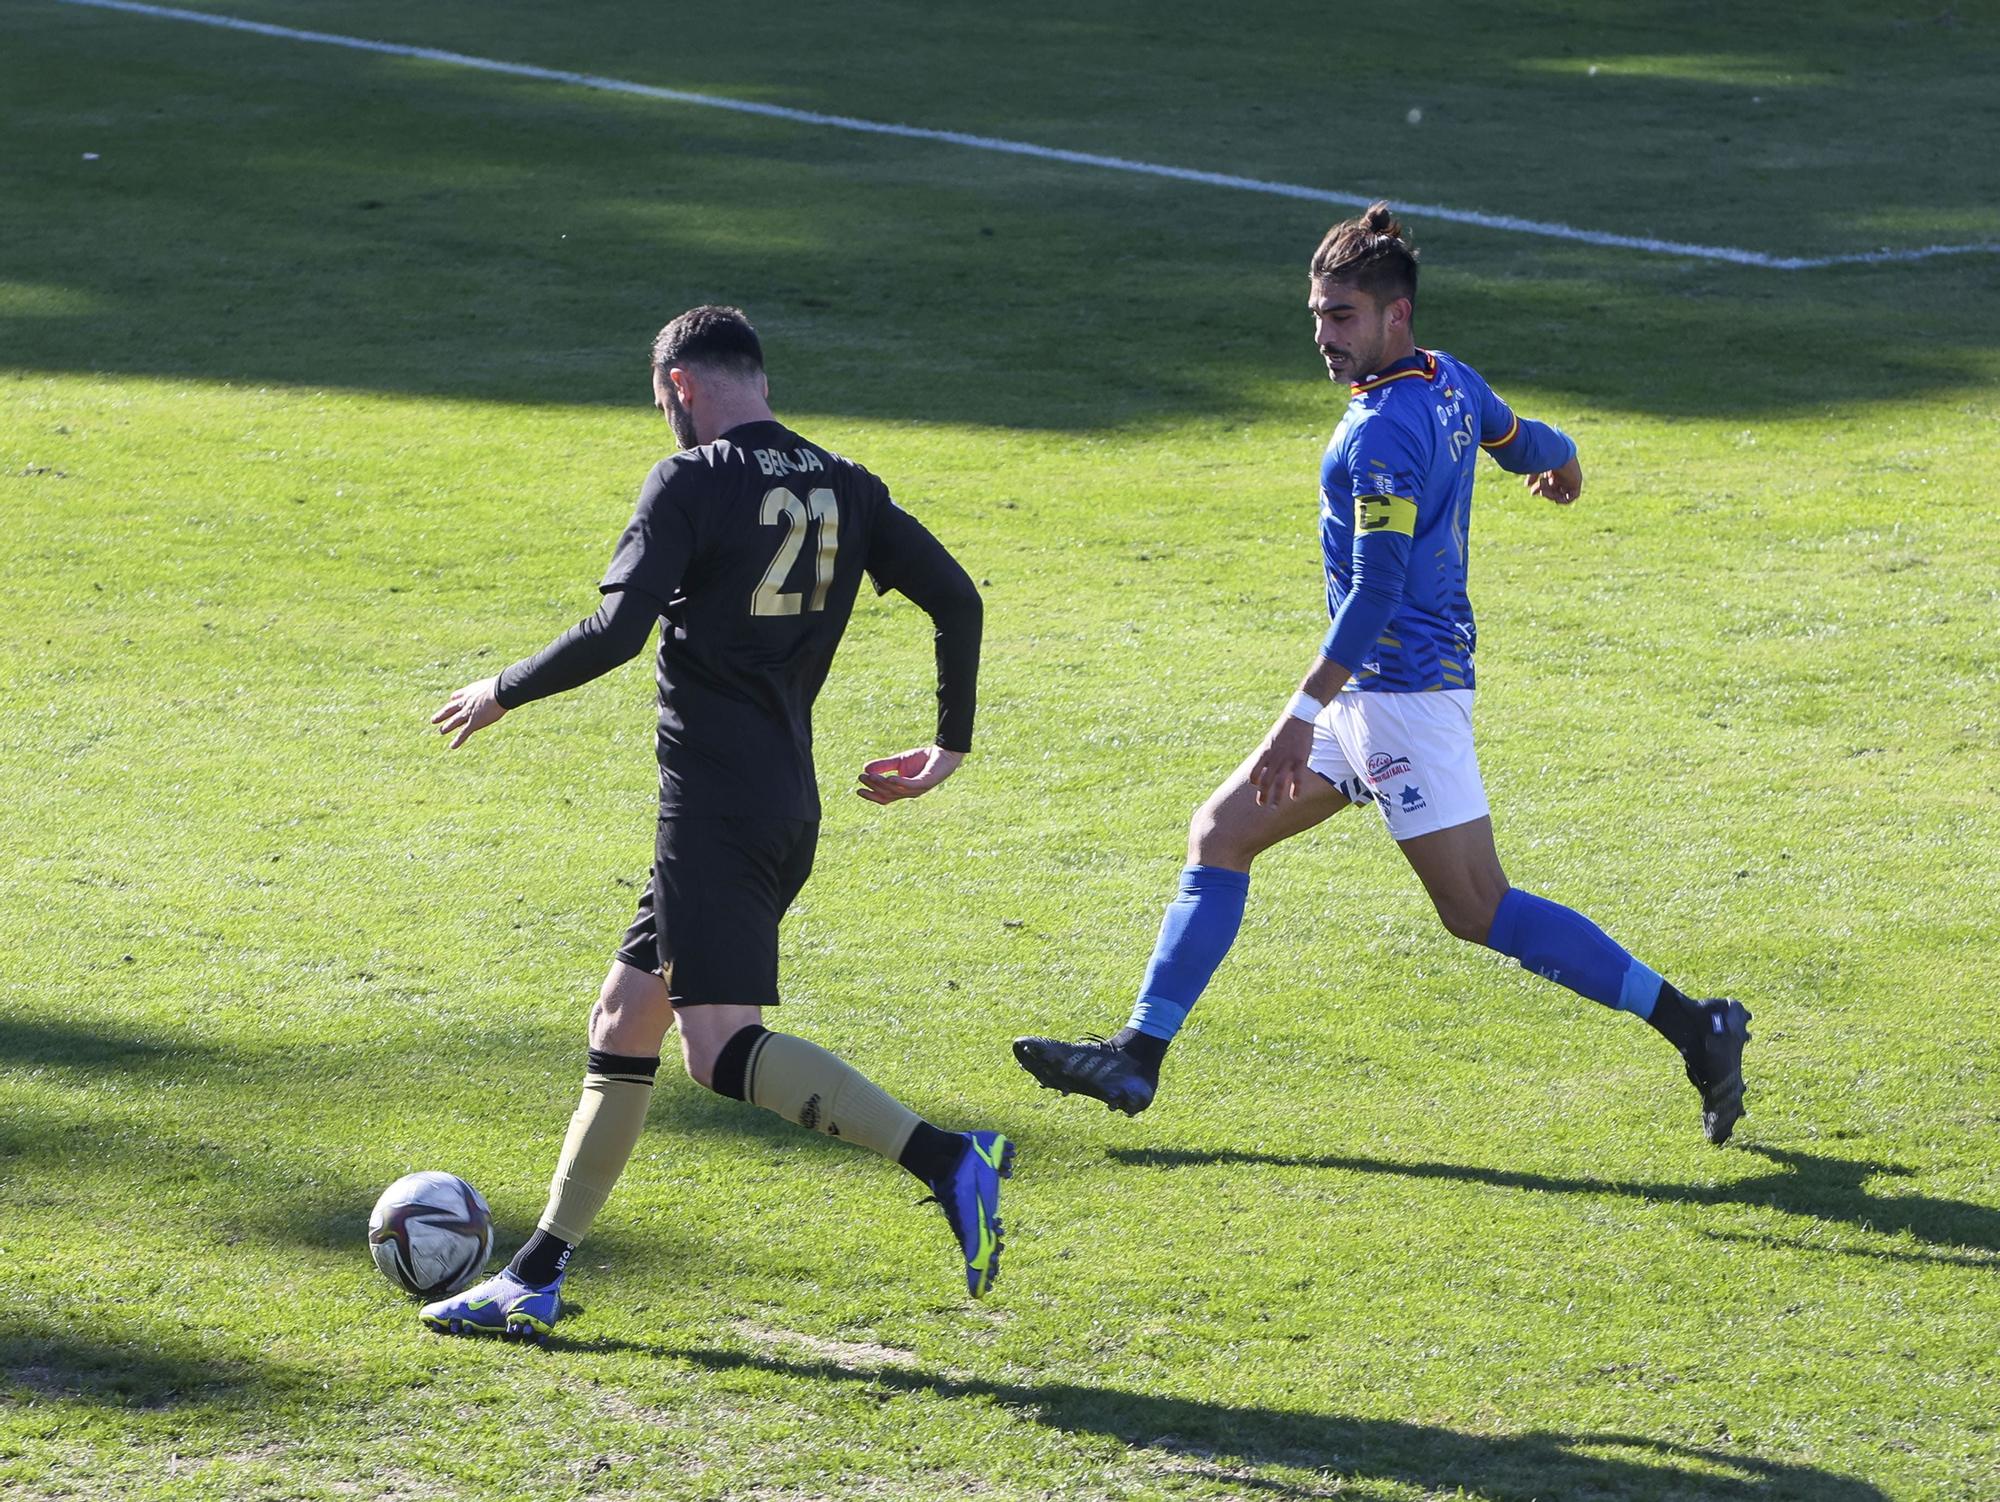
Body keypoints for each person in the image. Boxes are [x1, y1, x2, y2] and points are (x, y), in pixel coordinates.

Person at [1013, 205, 1751, 1145]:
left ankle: (1697, 1025)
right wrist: (1563, 461)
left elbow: (1377, 590)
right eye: (1319, 314)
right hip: (1369, 696)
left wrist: (1296, 714)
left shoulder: (1383, 435)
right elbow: (1519, 438)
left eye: (1344, 317)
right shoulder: (1448, 379)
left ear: (1395, 315)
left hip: (1402, 700)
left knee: (1478, 910)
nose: (1323, 337)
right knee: (1220, 833)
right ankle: (1137, 1056)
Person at [421, 305, 1012, 1338]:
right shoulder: (847, 484)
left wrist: (501, 689)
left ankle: (948, 1158)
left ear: (682, 385)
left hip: (714, 811)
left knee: (717, 1048)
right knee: (622, 1020)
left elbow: (616, 629)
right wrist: (947, 742)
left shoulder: (689, 480)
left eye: (663, 405)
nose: (666, 423)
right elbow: (956, 599)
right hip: (780, 802)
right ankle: (536, 1274)